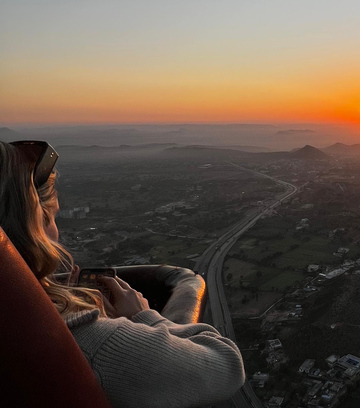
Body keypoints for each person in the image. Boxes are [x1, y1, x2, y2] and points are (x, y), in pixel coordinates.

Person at [0, 141, 246, 408]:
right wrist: (142, 317)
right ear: (30, 224)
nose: (56, 233)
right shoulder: (90, 342)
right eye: (52, 217)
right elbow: (227, 366)